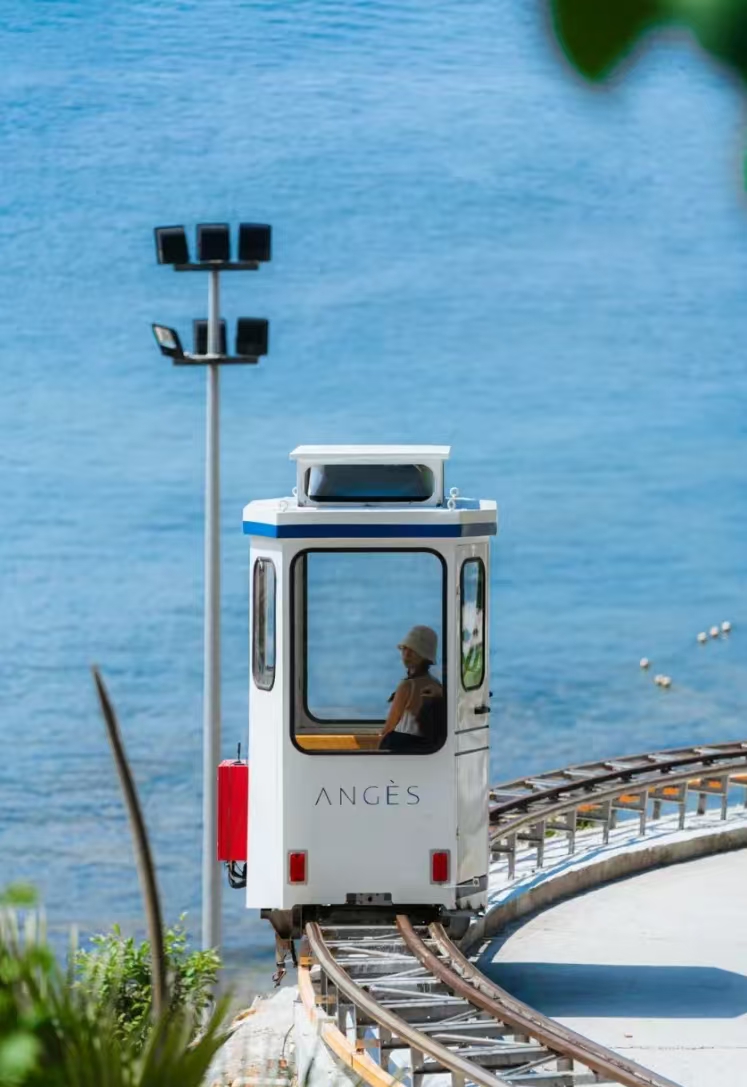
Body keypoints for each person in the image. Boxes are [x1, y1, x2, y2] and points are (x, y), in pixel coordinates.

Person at [379, 626, 444, 753]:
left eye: (413, 650)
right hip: (423, 749)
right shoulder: (436, 684)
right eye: (404, 649)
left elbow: (389, 727)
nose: (406, 654)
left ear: (424, 656)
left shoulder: (407, 686)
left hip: (401, 747)